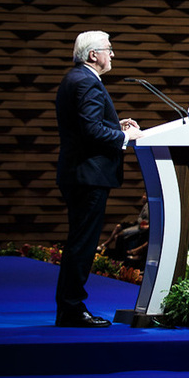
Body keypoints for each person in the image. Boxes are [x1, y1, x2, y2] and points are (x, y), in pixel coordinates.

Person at [54, 31, 143, 328]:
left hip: (80, 173)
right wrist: (123, 136)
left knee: (79, 241)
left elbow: (85, 126)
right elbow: (91, 133)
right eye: (109, 49)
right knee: (82, 243)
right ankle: (71, 308)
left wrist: (114, 125)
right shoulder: (86, 82)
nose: (113, 54)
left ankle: (69, 306)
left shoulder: (76, 79)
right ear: (93, 55)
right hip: (88, 175)